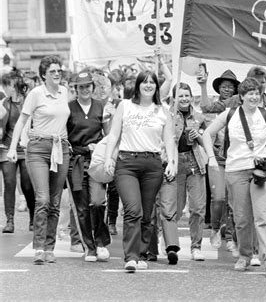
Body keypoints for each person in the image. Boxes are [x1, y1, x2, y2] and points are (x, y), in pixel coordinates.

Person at [202, 77, 266, 277]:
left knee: (263, 216)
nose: (254, 97)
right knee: (242, 218)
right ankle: (245, 256)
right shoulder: (230, 114)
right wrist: (211, 157)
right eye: (250, 94)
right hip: (235, 169)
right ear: (242, 96)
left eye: (257, 93)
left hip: (261, 171)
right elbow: (207, 134)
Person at [103, 70, 176, 272]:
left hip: (152, 165)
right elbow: (114, 134)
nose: (148, 85)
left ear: (156, 87)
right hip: (127, 163)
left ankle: (142, 253)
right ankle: (131, 257)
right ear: (137, 86)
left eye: (152, 82)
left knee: (146, 214)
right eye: (144, 82)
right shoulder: (125, 106)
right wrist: (109, 157)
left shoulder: (163, 110)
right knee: (132, 209)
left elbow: (169, 139)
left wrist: (171, 161)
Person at [7, 55, 70, 264]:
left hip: (60, 147)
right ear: (44, 75)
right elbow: (21, 120)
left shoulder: (65, 92)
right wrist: (13, 148)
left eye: (59, 71)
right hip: (38, 149)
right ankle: (39, 247)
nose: (57, 74)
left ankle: (50, 247)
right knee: (42, 198)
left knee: (55, 201)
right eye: (52, 71)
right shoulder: (36, 94)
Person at [66, 72, 111, 262]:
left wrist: (103, 151)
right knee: (82, 207)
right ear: (76, 89)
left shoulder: (101, 107)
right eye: (81, 86)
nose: (85, 90)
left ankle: (100, 242)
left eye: (88, 86)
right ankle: (89, 247)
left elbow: (109, 136)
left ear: (93, 87)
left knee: (98, 202)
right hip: (75, 161)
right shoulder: (68, 108)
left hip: (96, 160)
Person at [200, 70, 240, 255]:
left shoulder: (240, 106)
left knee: (233, 202)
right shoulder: (216, 107)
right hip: (216, 158)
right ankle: (215, 228)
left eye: (231, 87)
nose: (227, 89)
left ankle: (231, 237)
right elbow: (205, 107)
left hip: (236, 160)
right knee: (218, 198)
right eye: (224, 86)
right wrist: (202, 85)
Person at [172, 83, 208, 261]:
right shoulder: (169, 116)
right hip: (175, 162)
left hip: (195, 162)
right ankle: (167, 240)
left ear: (191, 97)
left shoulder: (199, 117)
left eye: (187, 95)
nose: (184, 99)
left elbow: (206, 143)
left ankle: (196, 247)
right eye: (180, 96)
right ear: (174, 99)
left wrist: (198, 136)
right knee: (175, 209)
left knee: (197, 208)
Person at [0, 69, 35, 233]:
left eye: (5, 85)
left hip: (26, 148)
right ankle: (10, 221)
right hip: (7, 147)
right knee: (9, 182)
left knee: (27, 185)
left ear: (12, 85)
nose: (3, 88)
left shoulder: (28, 101)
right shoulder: (4, 103)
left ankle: (34, 218)